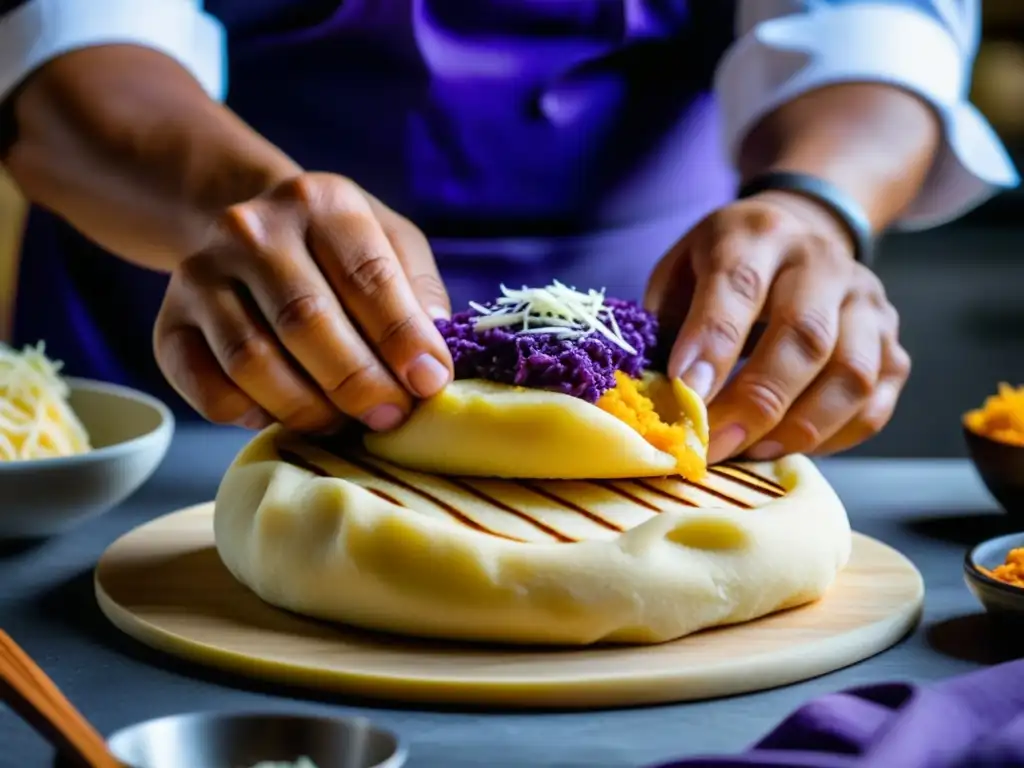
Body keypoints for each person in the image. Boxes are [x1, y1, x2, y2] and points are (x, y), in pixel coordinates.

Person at [0, 1, 1017, 465]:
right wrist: (242, 203)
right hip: (209, 344)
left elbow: (868, 21)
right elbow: (68, 37)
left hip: (663, 345)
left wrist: (814, 205)